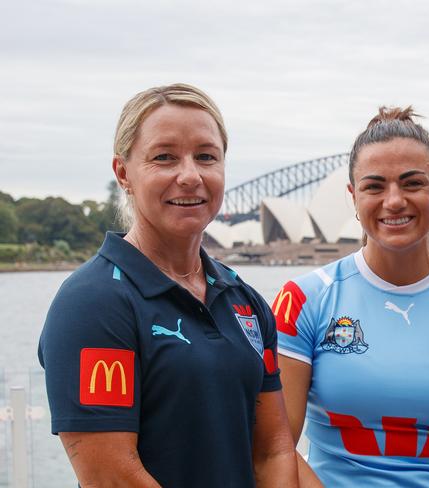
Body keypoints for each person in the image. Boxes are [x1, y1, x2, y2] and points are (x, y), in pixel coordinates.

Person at [38, 83, 299, 487]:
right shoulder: (94, 303)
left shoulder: (244, 301)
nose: (190, 176)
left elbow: (272, 450)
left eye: (206, 157)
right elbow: (113, 477)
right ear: (123, 173)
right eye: (164, 158)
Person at [272, 107, 429, 487]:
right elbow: (275, 449)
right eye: (374, 186)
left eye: (412, 184)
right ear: (353, 197)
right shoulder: (302, 300)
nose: (394, 201)